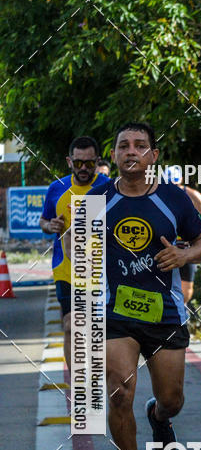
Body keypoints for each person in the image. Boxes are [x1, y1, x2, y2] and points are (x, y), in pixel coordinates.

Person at [87, 122, 201, 450]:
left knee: (172, 398)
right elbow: (79, 252)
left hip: (165, 315)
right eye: (123, 145)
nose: (131, 151)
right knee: (118, 393)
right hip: (115, 313)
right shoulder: (96, 199)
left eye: (140, 145)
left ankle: (159, 416)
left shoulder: (175, 200)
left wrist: (184, 254)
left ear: (153, 156)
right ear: (113, 155)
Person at [39, 136, 109, 376]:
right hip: (67, 270)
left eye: (89, 164)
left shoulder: (109, 187)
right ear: (69, 161)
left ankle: (100, 373)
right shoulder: (57, 188)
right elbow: (44, 221)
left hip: (103, 271)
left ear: (98, 162)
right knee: (72, 325)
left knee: (98, 329)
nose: (83, 169)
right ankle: (78, 379)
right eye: (78, 163)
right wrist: (51, 227)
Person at [164, 166, 201, 305]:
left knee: (186, 288)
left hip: (186, 246)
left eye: (176, 184)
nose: (173, 188)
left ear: (181, 181)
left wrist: (196, 233)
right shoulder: (160, 194)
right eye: (169, 184)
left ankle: (181, 309)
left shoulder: (192, 195)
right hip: (166, 245)